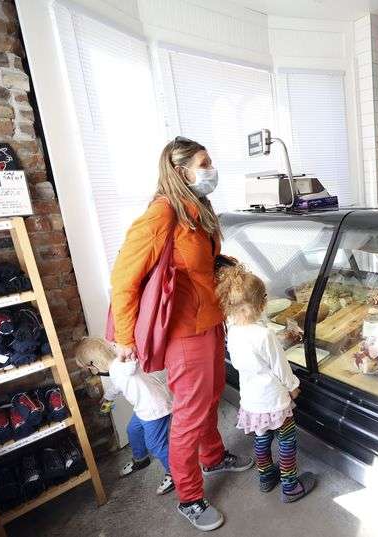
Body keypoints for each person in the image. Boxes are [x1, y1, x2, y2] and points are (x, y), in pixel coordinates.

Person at [109, 137, 253, 532]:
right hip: (183, 332)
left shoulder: (197, 208)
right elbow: (124, 279)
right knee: (189, 414)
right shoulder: (160, 213)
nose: (212, 169)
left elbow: (193, 262)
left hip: (210, 321)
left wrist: (221, 263)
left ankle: (214, 456)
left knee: (211, 395)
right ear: (181, 169)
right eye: (205, 162)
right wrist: (124, 338)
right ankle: (189, 496)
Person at [215, 264, 317, 503]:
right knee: (287, 439)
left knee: (261, 439)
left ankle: (266, 477)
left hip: (251, 401)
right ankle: (290, 485)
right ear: (258, 304)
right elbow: (280, 366)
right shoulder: (265, 335)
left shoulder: (233, 331)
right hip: (274, 399)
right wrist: (293, 387)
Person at [75, 337, 174, 496]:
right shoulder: (116, 367)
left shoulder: (120, 366)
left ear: (94, 364)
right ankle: (141, 459)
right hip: (144, 406)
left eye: (88, 367)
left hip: (153, 408)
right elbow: (118, 385)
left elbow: (129, 368)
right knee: (133, 431)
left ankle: (175, 472)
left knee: (155, 444)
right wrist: (108, 397)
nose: (90, 371)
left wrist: (127, 357)